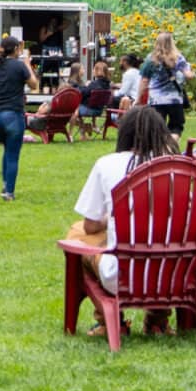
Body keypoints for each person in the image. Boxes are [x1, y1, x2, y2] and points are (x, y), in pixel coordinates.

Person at [69, 104, 183, 294]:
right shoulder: (176, 168)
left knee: (77, 234)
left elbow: (90, 226)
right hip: (174, 275)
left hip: (121, 275)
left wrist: (110, 219)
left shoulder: (107, 165)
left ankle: (108, 319)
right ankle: (158, 321)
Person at [0, 37, 34, 200]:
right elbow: (34, 85)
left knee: (7, 148)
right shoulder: (19, 66)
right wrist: (27, 64)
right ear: (16, 49)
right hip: (13, 115)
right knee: (13, 154)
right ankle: (9, 192)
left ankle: (5, 185)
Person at [138, 32, 192, 136]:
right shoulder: (178, 57)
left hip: (156, 100)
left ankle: (159, 150)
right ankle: (169, 149)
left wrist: (138, 98)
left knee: (156, 128)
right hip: (175, 99)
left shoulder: (151, 58)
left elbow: (144, 80)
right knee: (176, 127)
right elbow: (188, 75)